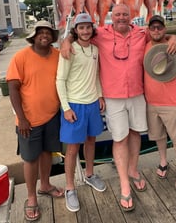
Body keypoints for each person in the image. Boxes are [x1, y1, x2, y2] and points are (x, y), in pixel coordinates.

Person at [61, 4, 176, 211]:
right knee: (119, 138)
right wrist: (66, 40)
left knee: (135, 133)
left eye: (125, 14)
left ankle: (133, 170)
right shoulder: (100, 34)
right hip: (113, 97)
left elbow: (160, 34)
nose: (122, 18)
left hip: (137, 93)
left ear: (131, 16)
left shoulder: (141, 33)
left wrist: (173, 38)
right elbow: (80, 34)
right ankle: (124, 183)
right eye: (117, 15)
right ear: (111, 17)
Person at [6, 20, 64, 222]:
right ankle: (31, 197)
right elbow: (13, 88)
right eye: (41, 32)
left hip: (52, 115)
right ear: (34, 35)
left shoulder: (57, 55)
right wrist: (20, 118)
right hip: (28, 120)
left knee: (48, 152)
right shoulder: (20, 57)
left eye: (48, 32)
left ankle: (45, 185)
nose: (45, 35)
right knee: (30, 159)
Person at [56, 13, 106, 213]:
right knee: (72, 149)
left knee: (92, 141)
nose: (85, 31)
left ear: (92, 28)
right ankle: (70, 187)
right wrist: (66, 108)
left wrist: (100, 95)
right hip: (74, 105)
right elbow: (60, 80)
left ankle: (90, 174)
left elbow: (95, 76)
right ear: (75, 30)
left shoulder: (95, 49)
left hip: (93, 103)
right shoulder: (69, 50)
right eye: (81, 27)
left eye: (88, 27)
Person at [144, 15, 176, 189]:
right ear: (149, 30)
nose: (156, 30)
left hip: (172, 103)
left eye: (159, 27)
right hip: (151, 103)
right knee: (159, 136)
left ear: (165, 29)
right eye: (153, 28)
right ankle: (163, 162)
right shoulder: (146, 46)